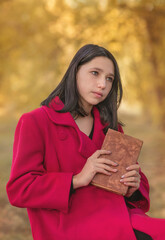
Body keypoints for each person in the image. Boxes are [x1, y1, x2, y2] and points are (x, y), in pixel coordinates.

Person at [6, 44, 165, 240]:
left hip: (117, 216)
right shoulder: (35, 122)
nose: (102, 85)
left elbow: (128, 185)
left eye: (109, 79)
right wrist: (78, 179)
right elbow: (20, 189)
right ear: (74, 72)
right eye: (95, 73)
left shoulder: (111, 127)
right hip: (68, 226)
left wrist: (133, 187)